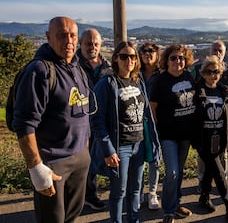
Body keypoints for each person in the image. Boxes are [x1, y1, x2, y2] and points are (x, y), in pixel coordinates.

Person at [12, 16, 92, 222]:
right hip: (53, 162)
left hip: (80, 158)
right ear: (48, 37)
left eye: (73, 35)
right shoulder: (39, 71)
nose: (69, 41)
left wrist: (85, 146)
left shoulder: (77, 67)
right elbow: (24, 124)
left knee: (72, 217)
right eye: (62, 35)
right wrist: (36, 167)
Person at [90, 41, 160, 223]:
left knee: (136, 189)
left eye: (132, 56)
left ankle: (134, 220)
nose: (128, 60)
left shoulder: (138, 81)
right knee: (119, 191)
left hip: (139, 144)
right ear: (115, 59)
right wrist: (108, 150)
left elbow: (146, 114)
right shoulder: (106, 84)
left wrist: (152, 142)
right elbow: (97, 120)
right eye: (123, 56)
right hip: (120, 147)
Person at [150, 44, 196, 223]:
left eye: (181, 58)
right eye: (174, 58)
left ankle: (176, 204)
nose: (178, 61)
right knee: (173, 172)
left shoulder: (188, 77)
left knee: (180, 171)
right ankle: (168, 210)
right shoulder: (161, 81)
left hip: (186, 134)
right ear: (166, 61)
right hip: (168, 134)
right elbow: (153, 107)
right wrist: (157, 129)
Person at [193, 55, 228, 222]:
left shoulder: (223, 90)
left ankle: (204, 197)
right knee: (219, 173)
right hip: (204, 140)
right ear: (203, 73)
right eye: (209, 72)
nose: (213, 75)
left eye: (216, 71)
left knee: (211, 171)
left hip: (220, 139)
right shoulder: (198, 91)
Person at [77, 28, 111, 211]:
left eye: (96, 44)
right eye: (88, 44)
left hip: (99, 121)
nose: (93, 47)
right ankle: (81, 196)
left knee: (92, 159)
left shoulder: (107, 66)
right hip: (78, 120)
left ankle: (90, 195)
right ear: (80, 44)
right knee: (79, 160)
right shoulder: (72, 65)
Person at [138, 42, 161, 210]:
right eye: (144, 51)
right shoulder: (134, 74)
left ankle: (152, 192)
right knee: (138, 158)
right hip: (137, 122)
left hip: (157, 122)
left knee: (155, 157)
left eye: (151, 51)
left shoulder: (162, 75)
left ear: (157, 54)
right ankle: (138, 192)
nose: (147, 54)